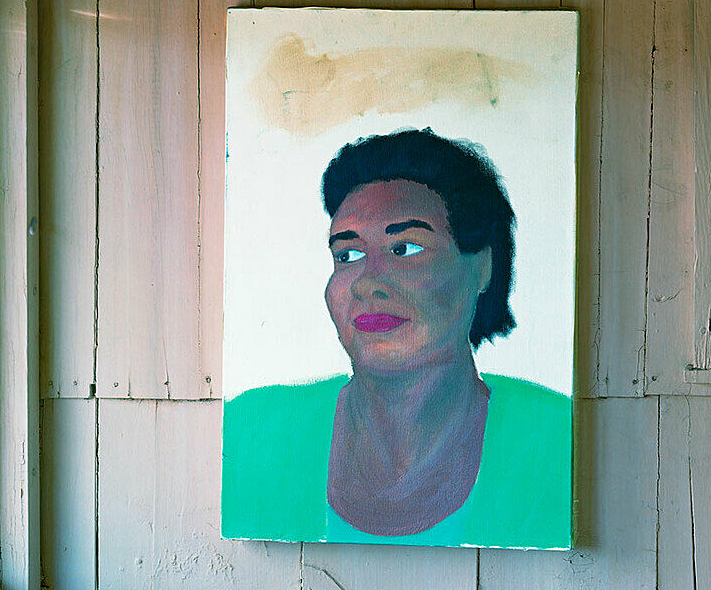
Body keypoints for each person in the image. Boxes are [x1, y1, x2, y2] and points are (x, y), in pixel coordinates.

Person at [222, 128, 572, 548]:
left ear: (481, 267)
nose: (366, 283)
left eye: (404, 248)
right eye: (347, 255)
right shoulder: (254, 427)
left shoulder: (553, 436)